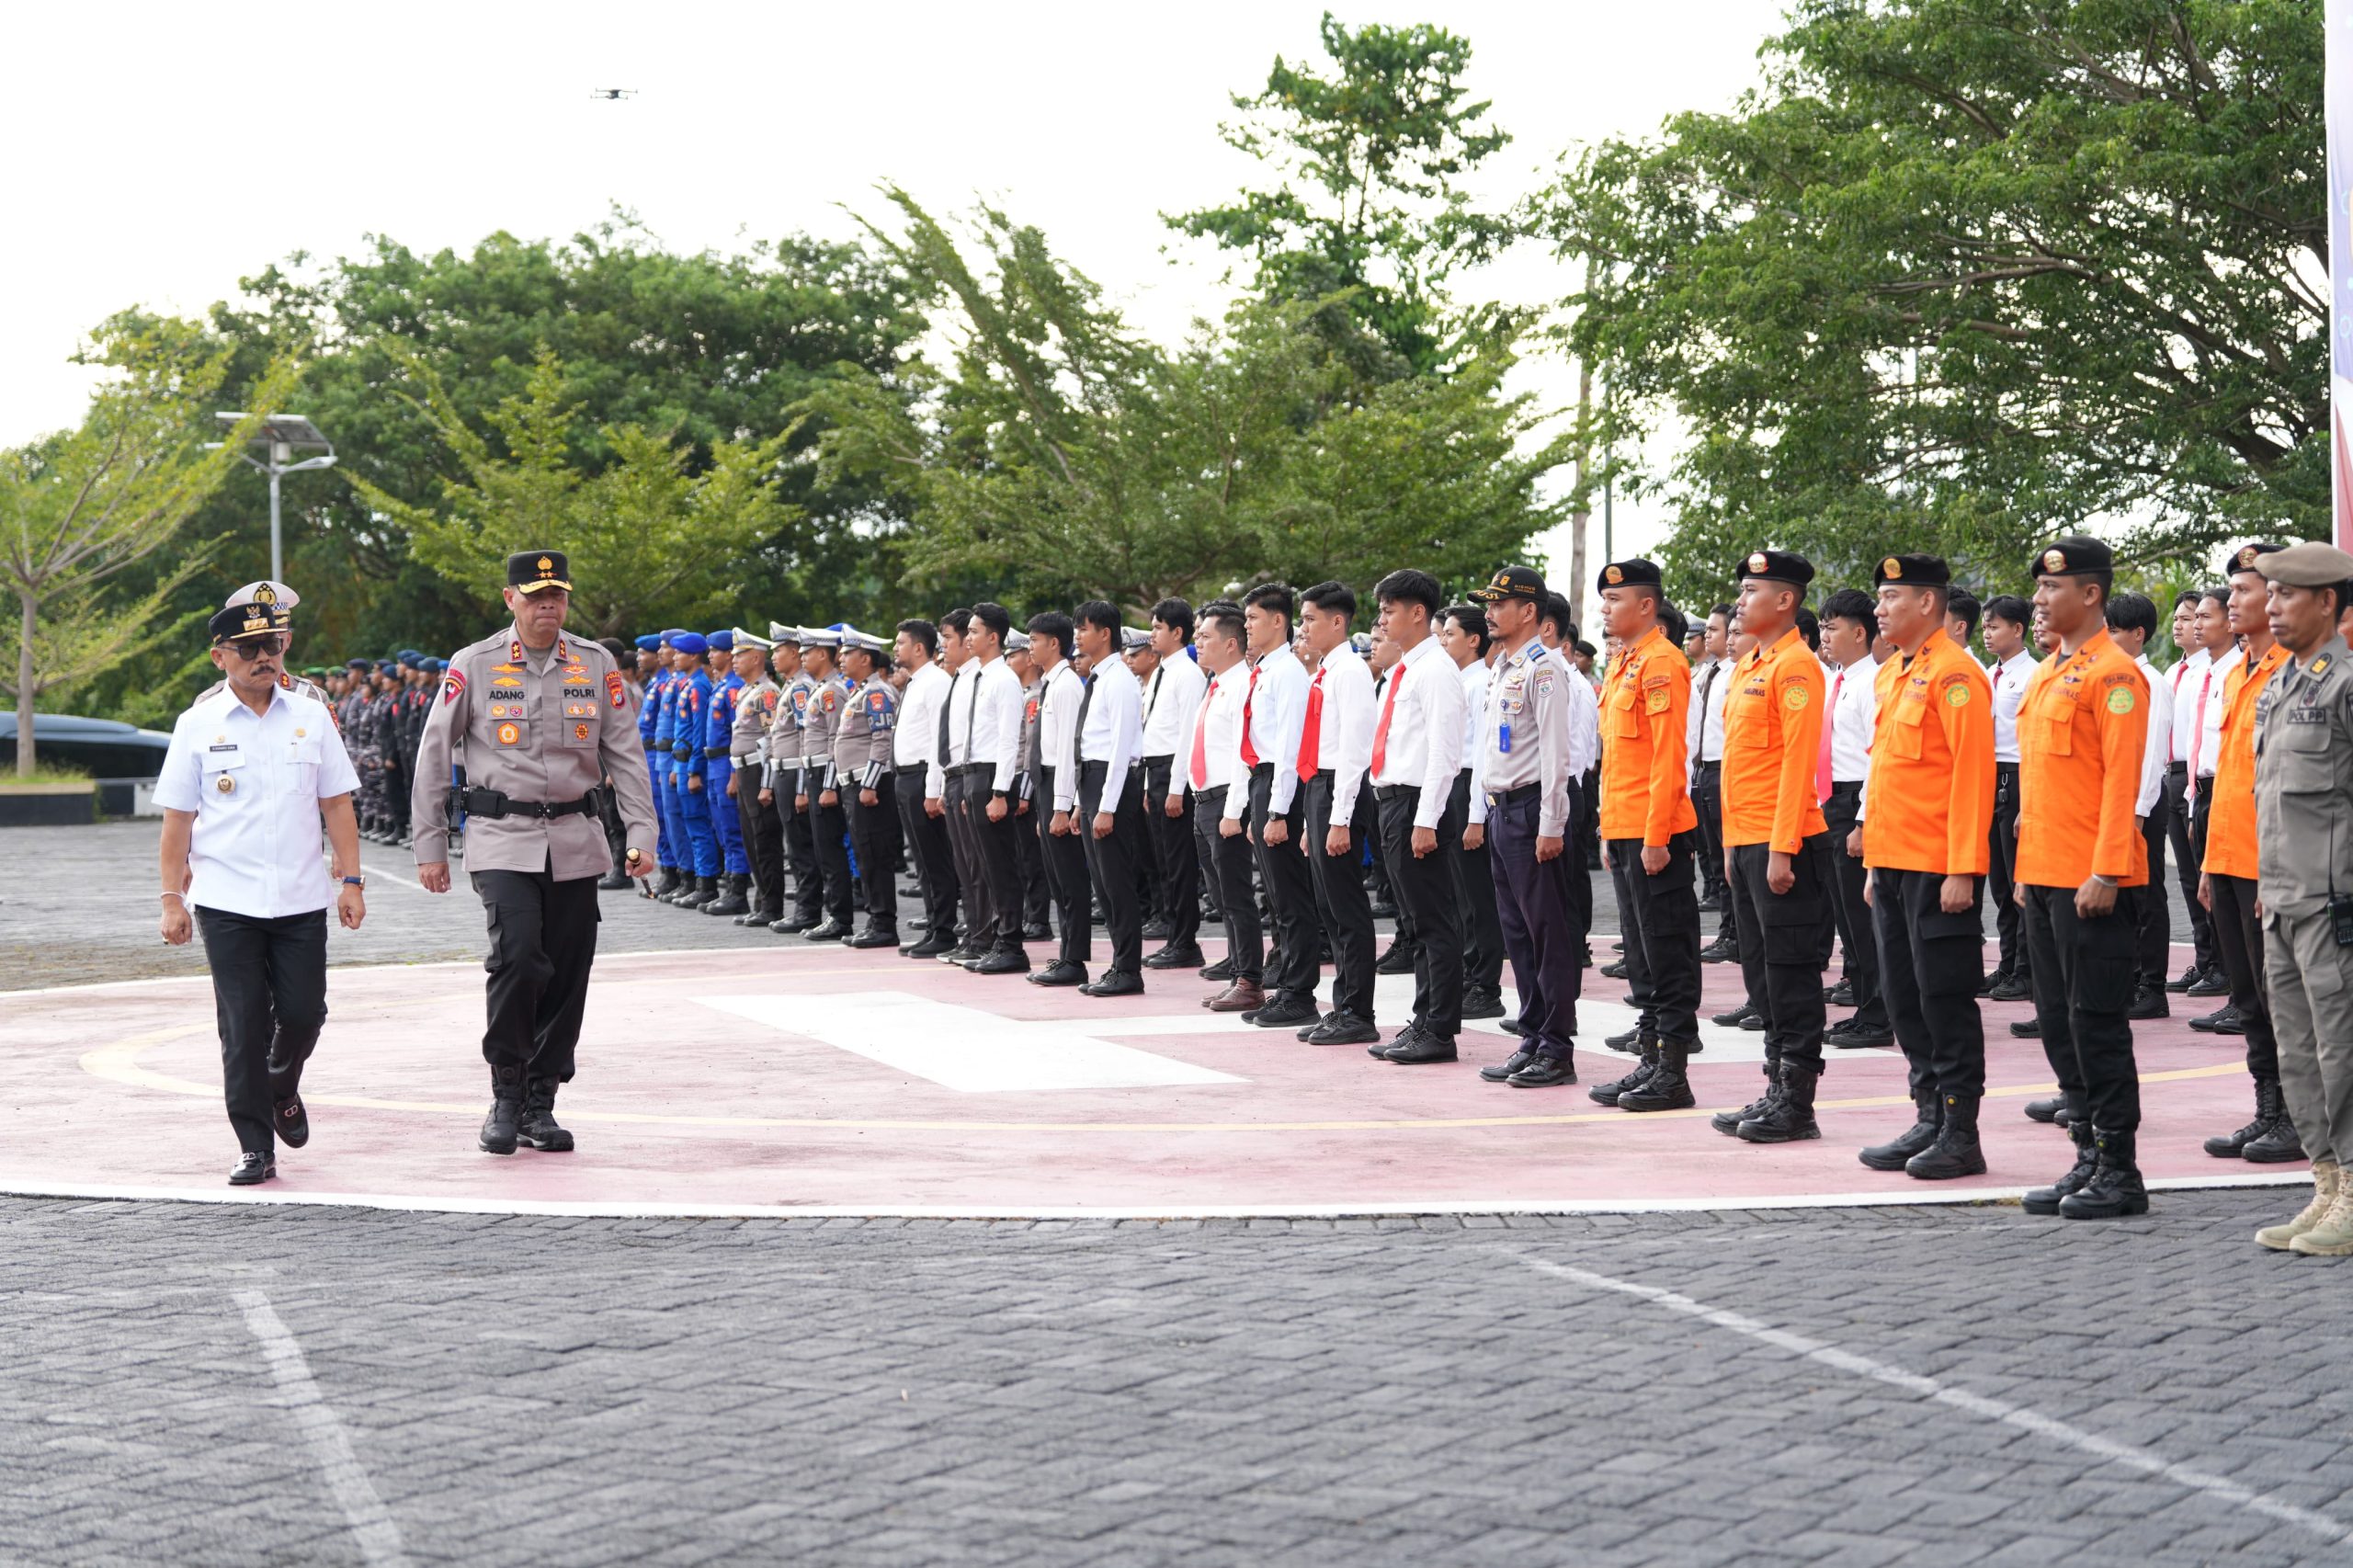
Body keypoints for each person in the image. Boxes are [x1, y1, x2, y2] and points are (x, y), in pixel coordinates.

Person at [412, 551, 657, 1154]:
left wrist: (642, 835)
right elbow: (433, 755)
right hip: (502, 838)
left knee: (569, 971)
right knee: (519, 957)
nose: (548, 605)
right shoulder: (475, 664)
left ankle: (540, 1102)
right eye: (535, 596)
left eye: (558, 596)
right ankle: (505, 1090)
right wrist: (430, 845)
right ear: (510, 599)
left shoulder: (597, 666)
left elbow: (625, 755)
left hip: (577, 838)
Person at [156, 597, 367, 1185]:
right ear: (220, 657)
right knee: (242, 1024)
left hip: (301, 898)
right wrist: (171, 898)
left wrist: (351, 880)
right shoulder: (197, 725)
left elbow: (337, 805)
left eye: (271, 645)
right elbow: (177, 819)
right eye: (248, 649)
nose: (262, 658)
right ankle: (254, 1144)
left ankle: (281, 1083)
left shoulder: (311, 716)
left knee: (303, 1013)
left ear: (285, 649)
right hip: (227, 901)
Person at [2014, 537, 2153, 1220]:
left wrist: (2105, 869)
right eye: (2038, 588)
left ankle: (2120, 1171)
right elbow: (2041, 787)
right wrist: (2023, 874)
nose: (2039, 599)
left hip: (2092, 882)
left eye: (2051, 589)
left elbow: (2122, 783)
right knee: (2057, 1025)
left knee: (2096, 1023)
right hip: (2043, 876)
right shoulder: (2048, 672)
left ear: (2090, 594)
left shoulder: (2115, 675)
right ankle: (2086, 1157)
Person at [1853, 555, 1995, 1178]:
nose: (1879, 610)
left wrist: (1963, 868)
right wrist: (1873, 863)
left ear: (1928, 605)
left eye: (1890, 598)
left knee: (1944, 999)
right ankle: (1928, 1114)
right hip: (1892, 862)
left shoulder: (1957, 675)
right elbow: (1887, 774)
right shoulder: (1892, 676)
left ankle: (1961, 1130)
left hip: (1939, 867)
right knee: (1904, 997)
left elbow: (1972, 777)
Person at [2248, 542, 2353, 1254]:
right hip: (2282, 897)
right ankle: (2325, 1186)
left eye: (2287, 595)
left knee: (2343, 1048)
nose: (2272, 606)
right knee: (2298, 1051)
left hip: (2332, 900)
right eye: (2272, 593)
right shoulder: (2279, 683)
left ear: (2327, 603)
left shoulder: (2346, 683)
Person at [1714, 550, 1836, 1143]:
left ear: (1785, 601)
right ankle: (1773, 1087)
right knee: (1762, 975)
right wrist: (1735, 848)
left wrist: (1782, 847)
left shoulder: (1796, 666)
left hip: (1782, 840)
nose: (1741, 601)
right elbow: (1741, 765)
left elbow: (1797, 764)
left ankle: (1797, 1101)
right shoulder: (1751, 665)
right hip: (1750, 839)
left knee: (1790, 973)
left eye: (1752, 591)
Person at [2198, 543, 2302, 1163]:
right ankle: (2267, 1110)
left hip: (2272, 867)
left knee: (2282, 997)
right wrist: (2211, 861)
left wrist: (2279, 870)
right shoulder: (2236, 673)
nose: (2232, 601)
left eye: (2244, 591)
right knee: (2247, 997)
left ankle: (2296, 1114)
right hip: (2231, 858)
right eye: (2232, 591)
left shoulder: (2297, 671)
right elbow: (2229, 780)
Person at [1584, 559, 1699, 1106]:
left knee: (1666, 950)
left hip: (1658, 834)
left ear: (1646, 606)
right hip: (1627, 828)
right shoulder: (1623, 664)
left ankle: (1672, 1071)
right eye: (1604, 602)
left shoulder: (1662, 663)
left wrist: (1655, 835)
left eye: (1615, 601)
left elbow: (1667, 759)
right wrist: (1610, 829)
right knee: (1640, 953)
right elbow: (1617, 762)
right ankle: (1650, 1057)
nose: (1605, 609)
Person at [1367, 568, 1469, 1064]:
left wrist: (1426, 819)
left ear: (1417, 613)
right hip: (1394, 802)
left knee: (1433, 922)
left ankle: (1440, 1029)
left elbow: (1444, 753)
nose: (1382, 620)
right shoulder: (1403, 670)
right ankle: (1424, 1018)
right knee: (1414, 921)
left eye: (1389, 610)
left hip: (1417, 805)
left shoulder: (1435, 670)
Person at [1293, 582, 1380, 1044]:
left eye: (1310, 619)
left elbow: (1353, 749)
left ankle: (1357, 1011)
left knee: (1346, 908)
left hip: (1339, 788)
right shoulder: (1326, 671)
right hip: (1320, 788)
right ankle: (1343, 1004)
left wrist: (1340, 817)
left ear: (1338, 622)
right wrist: (1315, 819)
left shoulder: (1349, 672)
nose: (1303, 628)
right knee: (1328, 906)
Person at [1229, 585, 1317, 1029]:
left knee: (1291, 897)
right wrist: (1254, 809)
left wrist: (1279, 812)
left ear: (1278, 621)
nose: (1247, 625)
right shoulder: (1265, 671)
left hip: (1280, 786)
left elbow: (1287, 748)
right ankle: (1287, 984)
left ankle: (1299, 993)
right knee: (1278, 900)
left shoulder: (1286, 673)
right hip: (1263, 783)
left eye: (1253, 618)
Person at [1818, 588, 1893, 1047]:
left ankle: (1878, 1016)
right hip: (1830, 803)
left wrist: (1864, 822)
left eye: (1832, 627)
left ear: (1860, 632)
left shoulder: (1873, 683)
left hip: (1855, 803)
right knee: (1846, 919)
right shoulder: (1837, 681)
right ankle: (1864, 1006)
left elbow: (1876, 759)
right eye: (1823, 626)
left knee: (1865, 922)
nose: (1824, 635)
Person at [2100, 593, 2173, 1019]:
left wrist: (2138, 811)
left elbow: (2151, 754)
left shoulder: (2151, 682)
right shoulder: (2115, 678)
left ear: (2138, 634)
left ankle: (2153, 986)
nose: (2106, 638)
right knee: (2125, 898)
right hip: (2119, 801)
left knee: (2148, 895)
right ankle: (2128, 979)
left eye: (2114, 630)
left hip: (2141, 801)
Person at [1073, 600, 1149, 996]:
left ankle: (1129, 970)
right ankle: (1119, 965)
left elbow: (1121, 749)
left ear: (1105, 634)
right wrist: (1078, 804)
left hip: (1110, 783)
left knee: (1117, 882)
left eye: (1083, 629)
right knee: (1102, 883)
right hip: (1092, 782)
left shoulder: (1119, 679)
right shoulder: (1100, 677)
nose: (1077, 636)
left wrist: (1105, 806)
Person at [1192, 603, 1266, 1011]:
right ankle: (1239, 970)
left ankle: (1251, 980)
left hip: (1226, 801)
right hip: (1205, 800)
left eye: (1206, 637)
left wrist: (1234, 812)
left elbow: (1243, 755)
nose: (1198, 643)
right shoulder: (1216, 683)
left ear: (1232, 643)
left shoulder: (1241, 685)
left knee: (1236, 896)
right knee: (1221, 897)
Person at [1438, 604, 1508, 1021]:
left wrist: (1476, 816)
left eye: (1449, 634)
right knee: (1459, 894)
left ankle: (1486, 984)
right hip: (1454, 783)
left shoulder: (1480, 682)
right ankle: (1470, 973)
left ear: (1473, 640)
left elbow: (1483, 750)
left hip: (1471, 786)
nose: (1443, 640)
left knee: (1478, 896)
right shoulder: (1459, 681)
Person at [957, 603, 1030, 973]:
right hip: (975, 775)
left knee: (1001, 865)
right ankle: (1000, 940)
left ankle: (1012, 944)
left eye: (973, 631)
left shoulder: (1003, 679)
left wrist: (1000, 792)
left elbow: (1008, 741)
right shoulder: (981, 677)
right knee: (986, 864)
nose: (968, 637)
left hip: (992, 777)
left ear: (994, 637)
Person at [1142, 598, 1210, 969]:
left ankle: (1185, 940)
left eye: (1157, 628)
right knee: (1163, 863)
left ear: (1177, 632)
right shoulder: (1162, 671)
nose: (1152, 634)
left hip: (1173, 771)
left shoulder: (1186, 673)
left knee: (1179, 863)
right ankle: (1173, 935)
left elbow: (1187, 735)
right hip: (1156, 769)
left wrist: (1175, 788)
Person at [1028, 611, 1093, 986]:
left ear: (1054, 643)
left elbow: (1071, 750)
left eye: (1036, 640)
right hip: (1047, 783)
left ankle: (1076, 958)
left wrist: (1062, 805)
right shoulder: (1051, 683)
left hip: (1060, 783)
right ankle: (1067, 952)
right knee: (1056, 878)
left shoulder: (1067, 685)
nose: (1030, 647)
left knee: (1070, 879)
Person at [1981, 596, 2038, 1002]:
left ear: (2018, 630)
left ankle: (2025, 970)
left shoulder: (2033, 675)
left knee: (2020, 879)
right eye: (1984, 626)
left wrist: (2029, 801)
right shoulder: (1988, 675)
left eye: (1995, 626)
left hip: (2019, 775)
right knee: (1999, 881)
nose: (1987, 633)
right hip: (1990, 775)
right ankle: (2006, 964)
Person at [2163, 590, 2221, 993]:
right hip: (2174, 776)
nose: (2184, 625)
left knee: (2208, 877)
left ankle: (2221, 962)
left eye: (2192, 617)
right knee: (2186, 877)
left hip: (2199, 777)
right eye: (2181, 618)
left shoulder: (2212, 670)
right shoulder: (2173, 672)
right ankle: (2204, 960)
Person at [892, 619, 960, 958]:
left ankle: (944, 930)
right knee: (922, 859)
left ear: (919, 648)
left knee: (935, 859)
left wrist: (934, 788)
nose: (895, 648)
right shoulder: (917, 682)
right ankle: (935, 925)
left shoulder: (935, 682)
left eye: (901, 642)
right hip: (906, 777)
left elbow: (939, 741)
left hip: (923, 778)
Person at [833, 628, 904, 949]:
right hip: (855, 784)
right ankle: (876, 921)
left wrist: (870, 784)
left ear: (864, 658)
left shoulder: (877, 693)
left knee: (875, 856)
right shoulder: (861, 691)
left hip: (868, 786)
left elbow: (882, 739)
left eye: (847, 654)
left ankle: (884, 925)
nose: (841, 659)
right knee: (865, 855)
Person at [793, 627, 857, 939]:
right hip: (814, 773)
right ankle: (835, 913)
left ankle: (840, 917)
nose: (801, 657)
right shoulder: (821, 688)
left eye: (807, 652)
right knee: (822, 850)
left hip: (825, 775)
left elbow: (836, 741)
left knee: (831, 850)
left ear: (822, 654)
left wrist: (830, 786)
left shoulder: (833, 691)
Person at [762, 626, 820, 934]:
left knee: (801, 846)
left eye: (778, 650)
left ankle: (808, 909)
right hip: (784, 770)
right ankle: (805, 907)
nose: (774, 656)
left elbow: (803, 739)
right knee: (795, 846)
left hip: (796, 772)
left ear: (794, 654)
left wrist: (800, 788)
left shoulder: (800, 689)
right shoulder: (791, 686)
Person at [722, 630, 783, 924]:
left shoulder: (767, 692)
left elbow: (772, 739)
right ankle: (761, 900)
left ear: (756, 658)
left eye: (739, 656)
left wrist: (767, 783)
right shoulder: (747, 690)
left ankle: (771, 905)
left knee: (764, 840)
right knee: (751, 839)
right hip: (745, 768)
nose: (734, 661)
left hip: (760, 770)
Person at [1689, 605, 1737, 962]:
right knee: (1714, 858)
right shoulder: (1709, 673)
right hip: (1704, 771)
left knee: (1729, 859)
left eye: (1718, 630)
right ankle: (1728, 931)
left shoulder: (1738, 674)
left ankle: (1733, 933)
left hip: (1726, 770)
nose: (1710, 636)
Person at [696, 630, 754, 915]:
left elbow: (739, 735)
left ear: (729, 654)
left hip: (726, 763)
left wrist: (734, 774)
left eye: (714, 651)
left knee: (732, 830)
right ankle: (730, 885)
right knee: (721, 828)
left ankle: (738, 890)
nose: (709, 656)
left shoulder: (733, 688)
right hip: (713, 763)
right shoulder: (721, 686)